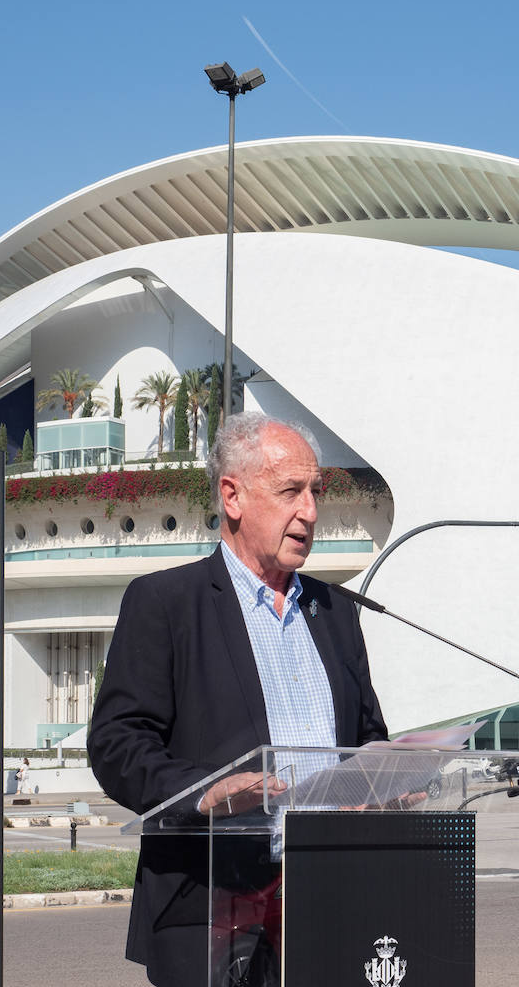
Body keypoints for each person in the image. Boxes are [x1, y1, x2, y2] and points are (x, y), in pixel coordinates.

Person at [89, 413, 388, 987]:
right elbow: (117, 744)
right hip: (211, 905)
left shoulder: (338, 612)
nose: (310, 512)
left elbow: (368, 735)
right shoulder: (166, 603)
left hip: (333, 897)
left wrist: (387, 782)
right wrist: (207, 793)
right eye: (290, 492)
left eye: (315, 492)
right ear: (233, 496)